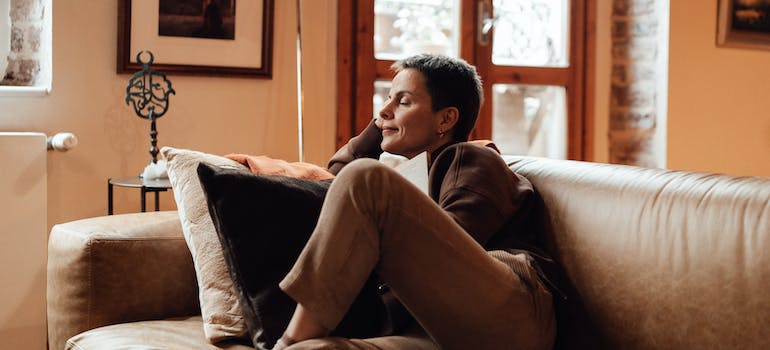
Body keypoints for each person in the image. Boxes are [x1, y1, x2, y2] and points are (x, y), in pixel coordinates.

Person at [274, 54, 557, 350]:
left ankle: (287, 341)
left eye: (403, 102)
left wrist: (381, 212)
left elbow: (450, 253)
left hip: (514, 315)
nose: (383, 111)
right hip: (434, 329)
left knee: (367, 177)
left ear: (446, 119)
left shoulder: (473, 159)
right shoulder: (411, 173)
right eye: (387, 98)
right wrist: (384, 124)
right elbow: (335, 184)